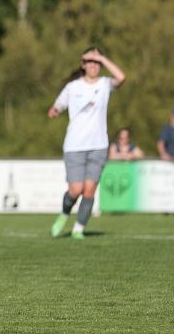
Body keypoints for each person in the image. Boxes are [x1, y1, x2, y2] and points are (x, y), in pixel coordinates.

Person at [48, 48, 126, 239]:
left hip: (98, 145)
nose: (94, 65)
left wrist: (102, 57)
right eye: (90, 61)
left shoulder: (105, 84)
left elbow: (121, 77)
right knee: (76, 190)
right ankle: (64, 214)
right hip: (74, 146)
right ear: (83, 65)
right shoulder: (73, 87)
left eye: (97, 62)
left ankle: (78, 229)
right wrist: (55, 109)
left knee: (90, 190)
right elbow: (58, 104)